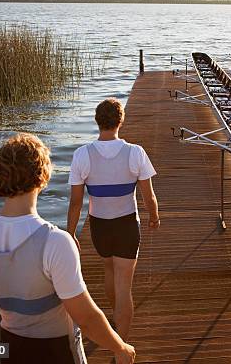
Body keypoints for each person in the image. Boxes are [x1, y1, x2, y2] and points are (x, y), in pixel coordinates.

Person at [0, 133, 135, 364]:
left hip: (10, 349)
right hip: (58, 352)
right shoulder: (56, 242)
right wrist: (120, 348)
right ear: (43, 176)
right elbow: (86, 317)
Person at [67, 98, 159, 342]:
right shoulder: (135, 152)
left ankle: (116, 315)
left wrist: (71, 233)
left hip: (99, 226)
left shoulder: (82, 155)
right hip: (127, 224)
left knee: (109, 269)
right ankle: (122, 345)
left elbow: (76, 202)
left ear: (98, 121)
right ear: (121, 121)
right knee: (124, 285)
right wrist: (154, 216)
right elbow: (148, 195)